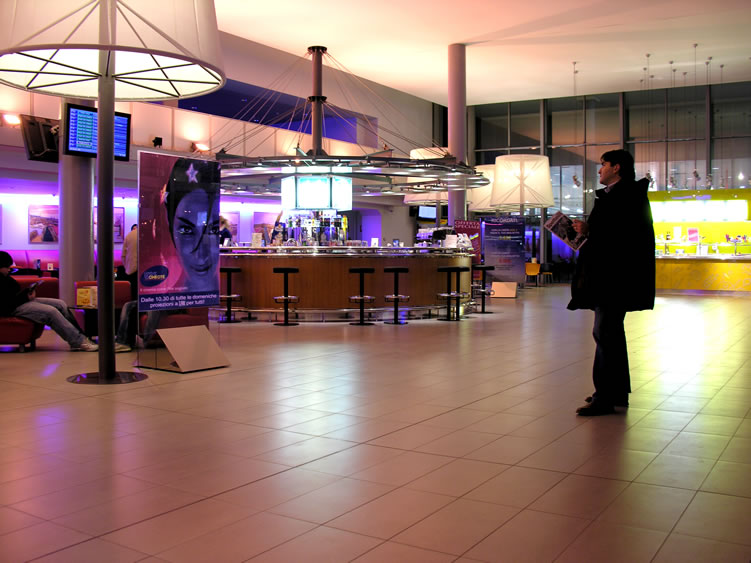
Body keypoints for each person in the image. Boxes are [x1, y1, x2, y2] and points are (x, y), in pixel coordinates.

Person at [568, 149, 655, 416]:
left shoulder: (626, 196)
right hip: (610, 278)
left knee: (605, 333)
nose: (600, 169)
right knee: (610, 334)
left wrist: (590, 231)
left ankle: (605, 397)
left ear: (617, 167)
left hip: (614, 279)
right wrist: (587, 232)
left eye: (603, 164)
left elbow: (623, 238)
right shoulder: (617, 195)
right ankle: (615, 392)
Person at [0, 251, 98, 352]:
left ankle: (82, 336)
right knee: (50, 312)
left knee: (60, 304)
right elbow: (6, 303)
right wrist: (25, 297)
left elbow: (12, 294)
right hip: (10, 308)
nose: (9, 269)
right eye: (7, 267)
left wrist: (26, 293)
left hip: (18, 302)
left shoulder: (5, 277)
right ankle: (78, 342)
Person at [164, 159, 221, 292]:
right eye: (186, 230)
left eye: (213, 230)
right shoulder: (162, 299)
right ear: (170, 225)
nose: (201, 255)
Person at [122, 223, 138, 301]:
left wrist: (127, 267)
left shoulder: (129, 236)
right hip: (146, 269)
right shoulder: (146, 234)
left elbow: (123, 255)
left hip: (132, 269)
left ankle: (133, 305)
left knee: (133, 291)